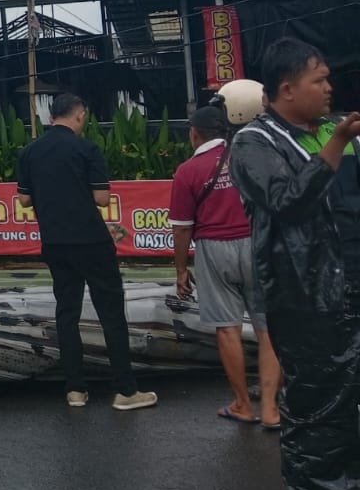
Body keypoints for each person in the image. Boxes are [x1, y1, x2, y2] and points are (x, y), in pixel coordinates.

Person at [230, 38, 360, 490]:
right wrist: (337, 144)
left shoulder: (332, 132)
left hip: (353, 280)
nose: (329, 88)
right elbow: (288, 201)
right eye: (319, 80)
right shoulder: (254, 143)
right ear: (287, 89)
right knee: (318, 412)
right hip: (307, 297)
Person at [15, 92, 157, 411]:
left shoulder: (29, 151)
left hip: (54, 241)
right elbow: (102, 198)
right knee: (111, 314)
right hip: (91, 241)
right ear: (79, 115)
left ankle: (75, 389)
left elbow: (24, 199)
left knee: (67, 313)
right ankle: (125, 390)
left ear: (52, 115)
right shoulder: (86, 148)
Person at [170, 105, 282, 428]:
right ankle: (271, 409)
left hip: (214, 249)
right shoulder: (248, 157)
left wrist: (181, 270)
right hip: (256, 243)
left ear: (195, 133)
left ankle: (243, 405)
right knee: (267, 327)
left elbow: (181, 229)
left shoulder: (187, 171)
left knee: (228, 328)